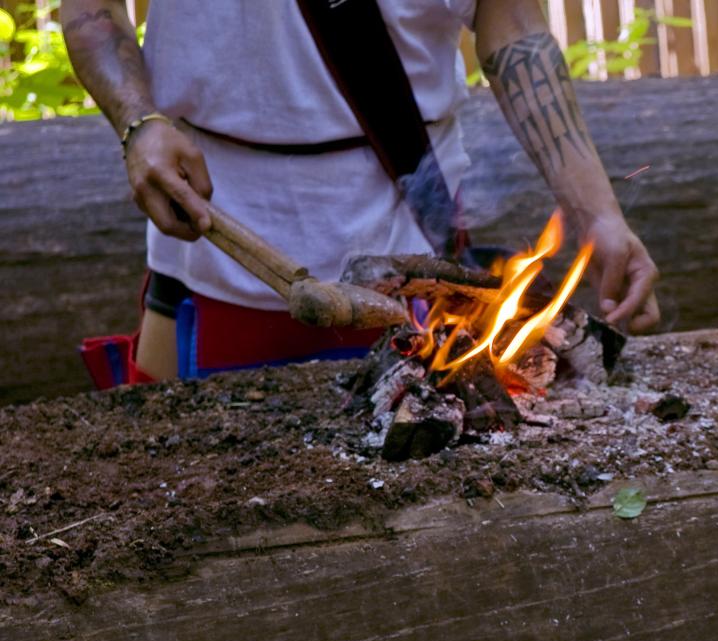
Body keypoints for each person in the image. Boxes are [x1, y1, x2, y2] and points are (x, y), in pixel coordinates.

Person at [63, 0, 660, 381]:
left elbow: (515, 28)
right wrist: (139, 122)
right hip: (214, 240)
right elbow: (90, 8)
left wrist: (600, 214)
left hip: (411, 253)